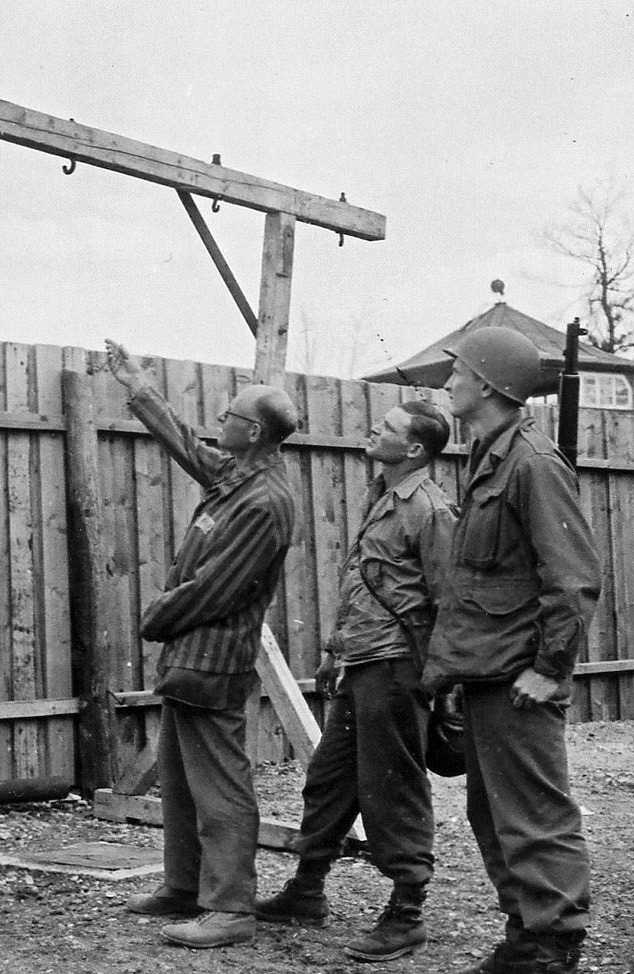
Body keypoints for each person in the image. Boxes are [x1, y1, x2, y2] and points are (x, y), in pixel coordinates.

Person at [105, 339, 298, 950]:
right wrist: (139, 387)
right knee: (184, 781)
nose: (219, 425)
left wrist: (157, 616)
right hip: (191, 657)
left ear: (254, 431)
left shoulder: (264, 501)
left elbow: (214, 589)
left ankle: (230, 907)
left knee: (220, 786)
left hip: (212, 656)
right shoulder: (240, 475)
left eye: (229, 418)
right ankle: (183, 887)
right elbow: (186, 443)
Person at [421, 326, 600, 974]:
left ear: (491, 385)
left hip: (519, 677)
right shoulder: (489, 454)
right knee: (493, 810)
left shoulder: (530, 461)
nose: (449, 383)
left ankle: (552, 943)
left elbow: (572, 575)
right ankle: (527, 935)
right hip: (488, 669)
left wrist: (549, 670)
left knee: (532, 810)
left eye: (459, 372)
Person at [255, 400, 457, 962]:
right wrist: (332, 651)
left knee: (391, 787)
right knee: (331, 778)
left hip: (396, 665)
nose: (375, 428)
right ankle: (307, 889)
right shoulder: (381, 494)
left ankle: (407, 912)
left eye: (388, 427)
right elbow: (363, 582)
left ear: (414, 448)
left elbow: (447, 599)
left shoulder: (429, 509)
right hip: (360, 660)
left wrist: (435, 679)